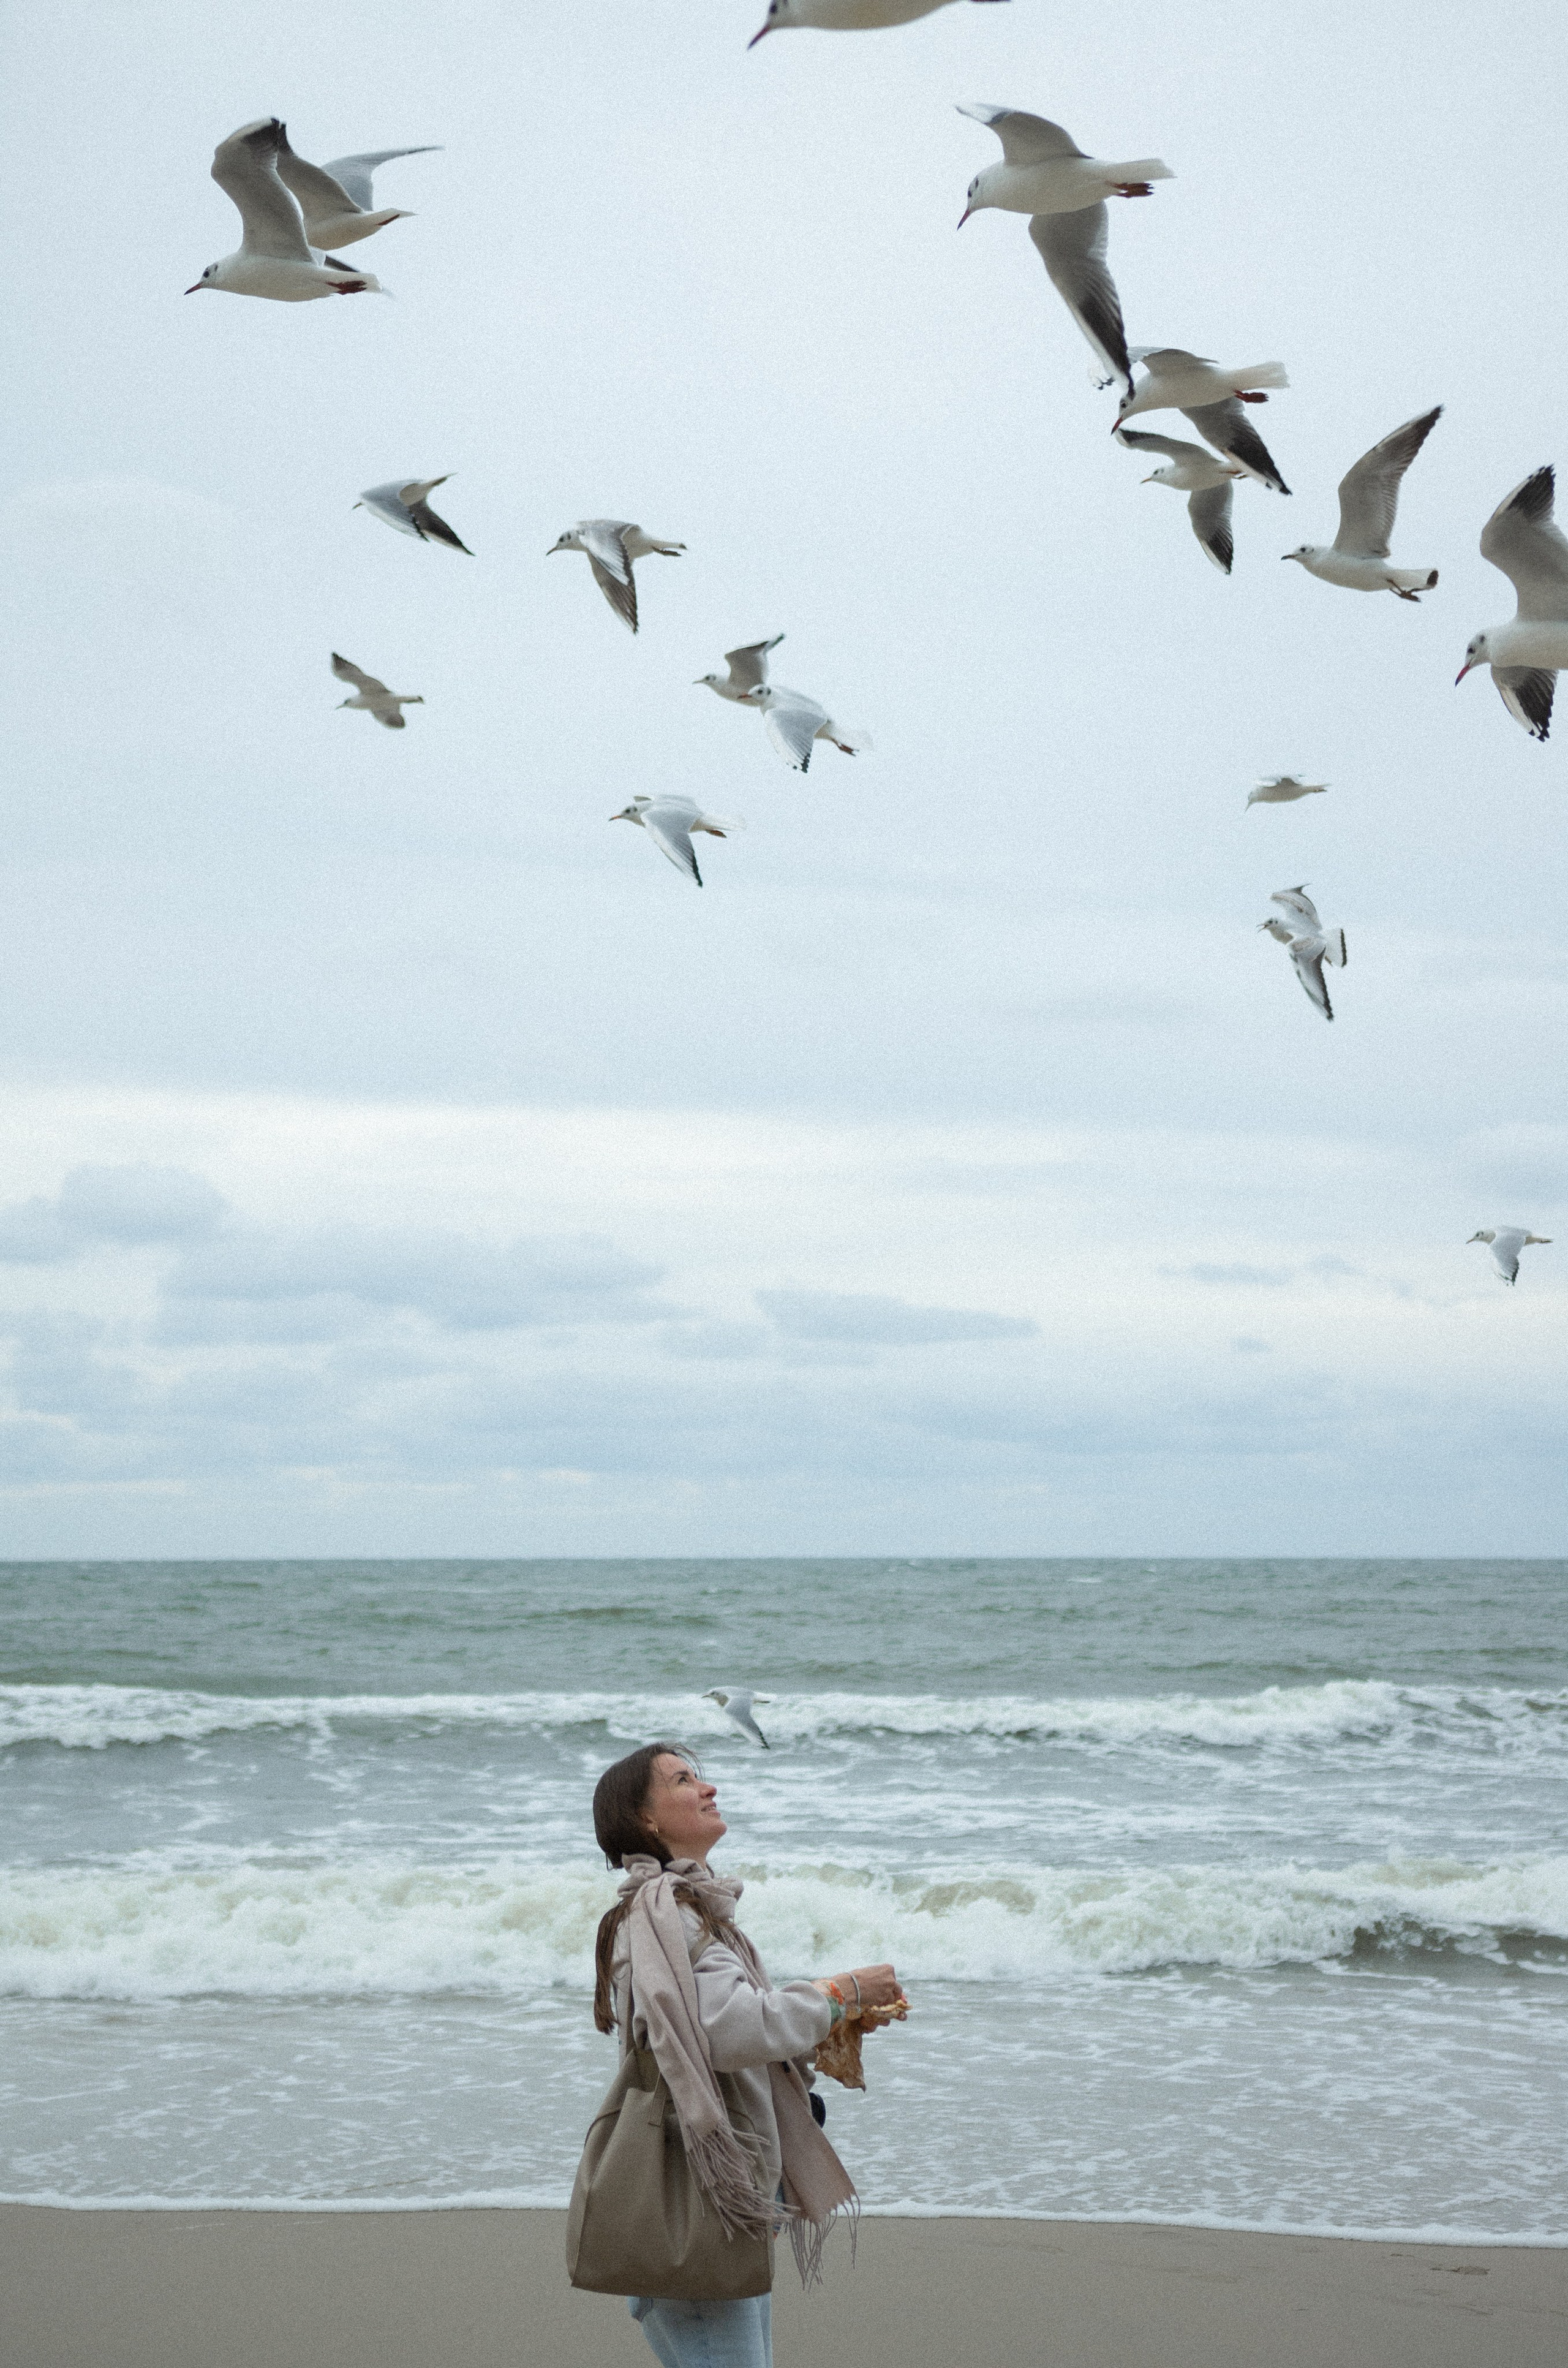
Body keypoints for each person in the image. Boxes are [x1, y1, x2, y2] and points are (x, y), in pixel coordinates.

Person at [590, 1741, 900, 2368]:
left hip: (714, 2201)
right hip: (700, 2206)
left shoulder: (686, 1913)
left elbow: (715, 2033)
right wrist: (838, 1995)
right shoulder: (667, 1917)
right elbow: (731, 2031)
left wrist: (826, 2018)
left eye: (700, 1775)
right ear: (645, 1819)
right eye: (683, 1779)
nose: (707, 1788)